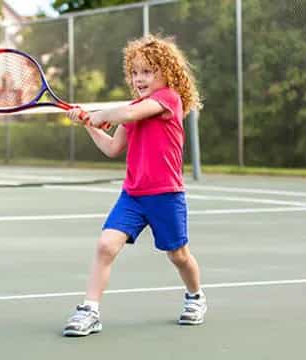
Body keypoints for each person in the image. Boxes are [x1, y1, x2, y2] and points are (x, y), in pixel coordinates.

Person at [62, 34, 206, 337]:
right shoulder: (134, 109)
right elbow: (113, 148)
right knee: (105, 246)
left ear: (167, 73)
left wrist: (99, 114)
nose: (139, 78)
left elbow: (126, 112)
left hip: (166, 195)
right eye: (135, 72)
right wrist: (89, 124)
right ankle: (90, 311)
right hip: (133, 195)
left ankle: (195, 296)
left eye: (148, 71)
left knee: (179, 255)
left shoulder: (168, 99)